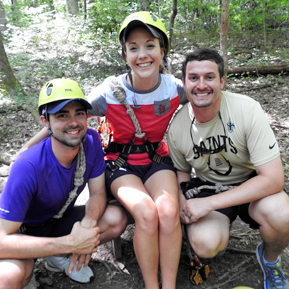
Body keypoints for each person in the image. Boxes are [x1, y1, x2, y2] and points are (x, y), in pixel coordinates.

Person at [15, 12, 187, 289]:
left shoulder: (175, 88)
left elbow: (208, 97)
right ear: (125, 55)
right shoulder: (111, 90)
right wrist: (27, 148)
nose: (142, 54)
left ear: (162, 51)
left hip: (157, 159)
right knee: (145, 212)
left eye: (150, 45)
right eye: (133, 48)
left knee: (168, 212)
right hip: (121, 163)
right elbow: (69, 115)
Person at [167, 48, 289, 289]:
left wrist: (210, 204)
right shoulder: (177, 127)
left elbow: (274, 179)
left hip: (250, 184)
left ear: (222, 81)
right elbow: (181, 174)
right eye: (194, 78)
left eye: (209, 77)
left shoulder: (247, 109)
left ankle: (271, 260)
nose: (201, 85)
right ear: (184, 83)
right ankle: (217, 236)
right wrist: (183, 202)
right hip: (208, 185)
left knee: (282, 215)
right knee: (206, 244)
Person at [0, 78, 127, 289]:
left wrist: (88, 223)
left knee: (115, 218)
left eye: (79, 113)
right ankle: (43, 260)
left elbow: (97, 193)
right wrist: (71, 243)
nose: (73, 122)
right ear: (45, 121)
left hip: (58, 220)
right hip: (22, 232)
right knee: (8, 277)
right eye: (62, 115)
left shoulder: (91, 141)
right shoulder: (28, 166)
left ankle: (57, 258)